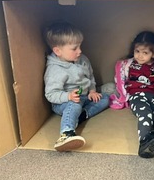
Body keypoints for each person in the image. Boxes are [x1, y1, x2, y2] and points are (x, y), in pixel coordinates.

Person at [110, 31, 154, 158]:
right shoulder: (128, 65)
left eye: (145, 53)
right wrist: (124, 96)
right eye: (137, 51)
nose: (140, 56)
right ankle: (145, 141)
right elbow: (120, 79)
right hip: (136, 95)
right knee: (145, 114)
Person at [43, 21, 109, 152]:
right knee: (74, 105)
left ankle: (81, 116)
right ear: (57, 51)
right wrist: (68, 96)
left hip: (84, 97)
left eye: (80, 46)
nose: (80, 51)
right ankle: (66, 133)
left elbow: (90, 77)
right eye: (74, 48)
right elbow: (50, 94)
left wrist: (92, 91)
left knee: (106, 98)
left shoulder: (82, 59)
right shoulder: (55, 70)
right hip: (64, 102)